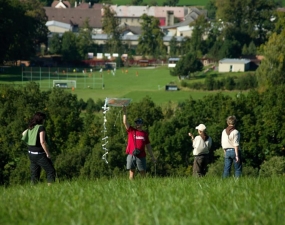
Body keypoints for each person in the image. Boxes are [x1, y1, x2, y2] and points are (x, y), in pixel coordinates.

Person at [22, 112, 56, 185]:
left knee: (34, 174)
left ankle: (32, 191)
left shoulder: (31, 127)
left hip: (31, 153)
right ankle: (50, 190)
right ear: (41, 119)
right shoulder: (41, 127)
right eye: (44, 119)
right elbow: (42, 142)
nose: (44, 121)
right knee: (50, 171)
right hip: (39, 154)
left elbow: (23, 133)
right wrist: (48, 154)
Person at [122, 106, 156, 179]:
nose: (138, 124)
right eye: (136, 122)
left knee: (143, 172)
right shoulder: (131, 130)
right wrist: (124, 112)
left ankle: (143, 186)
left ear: (142, 124)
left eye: (139, 122)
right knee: (132, 172)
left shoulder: (144, 134)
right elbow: (125, 122)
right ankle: (131, 187)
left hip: (141, 156)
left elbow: (148, 146)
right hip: (131, 154)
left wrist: (152, 156)